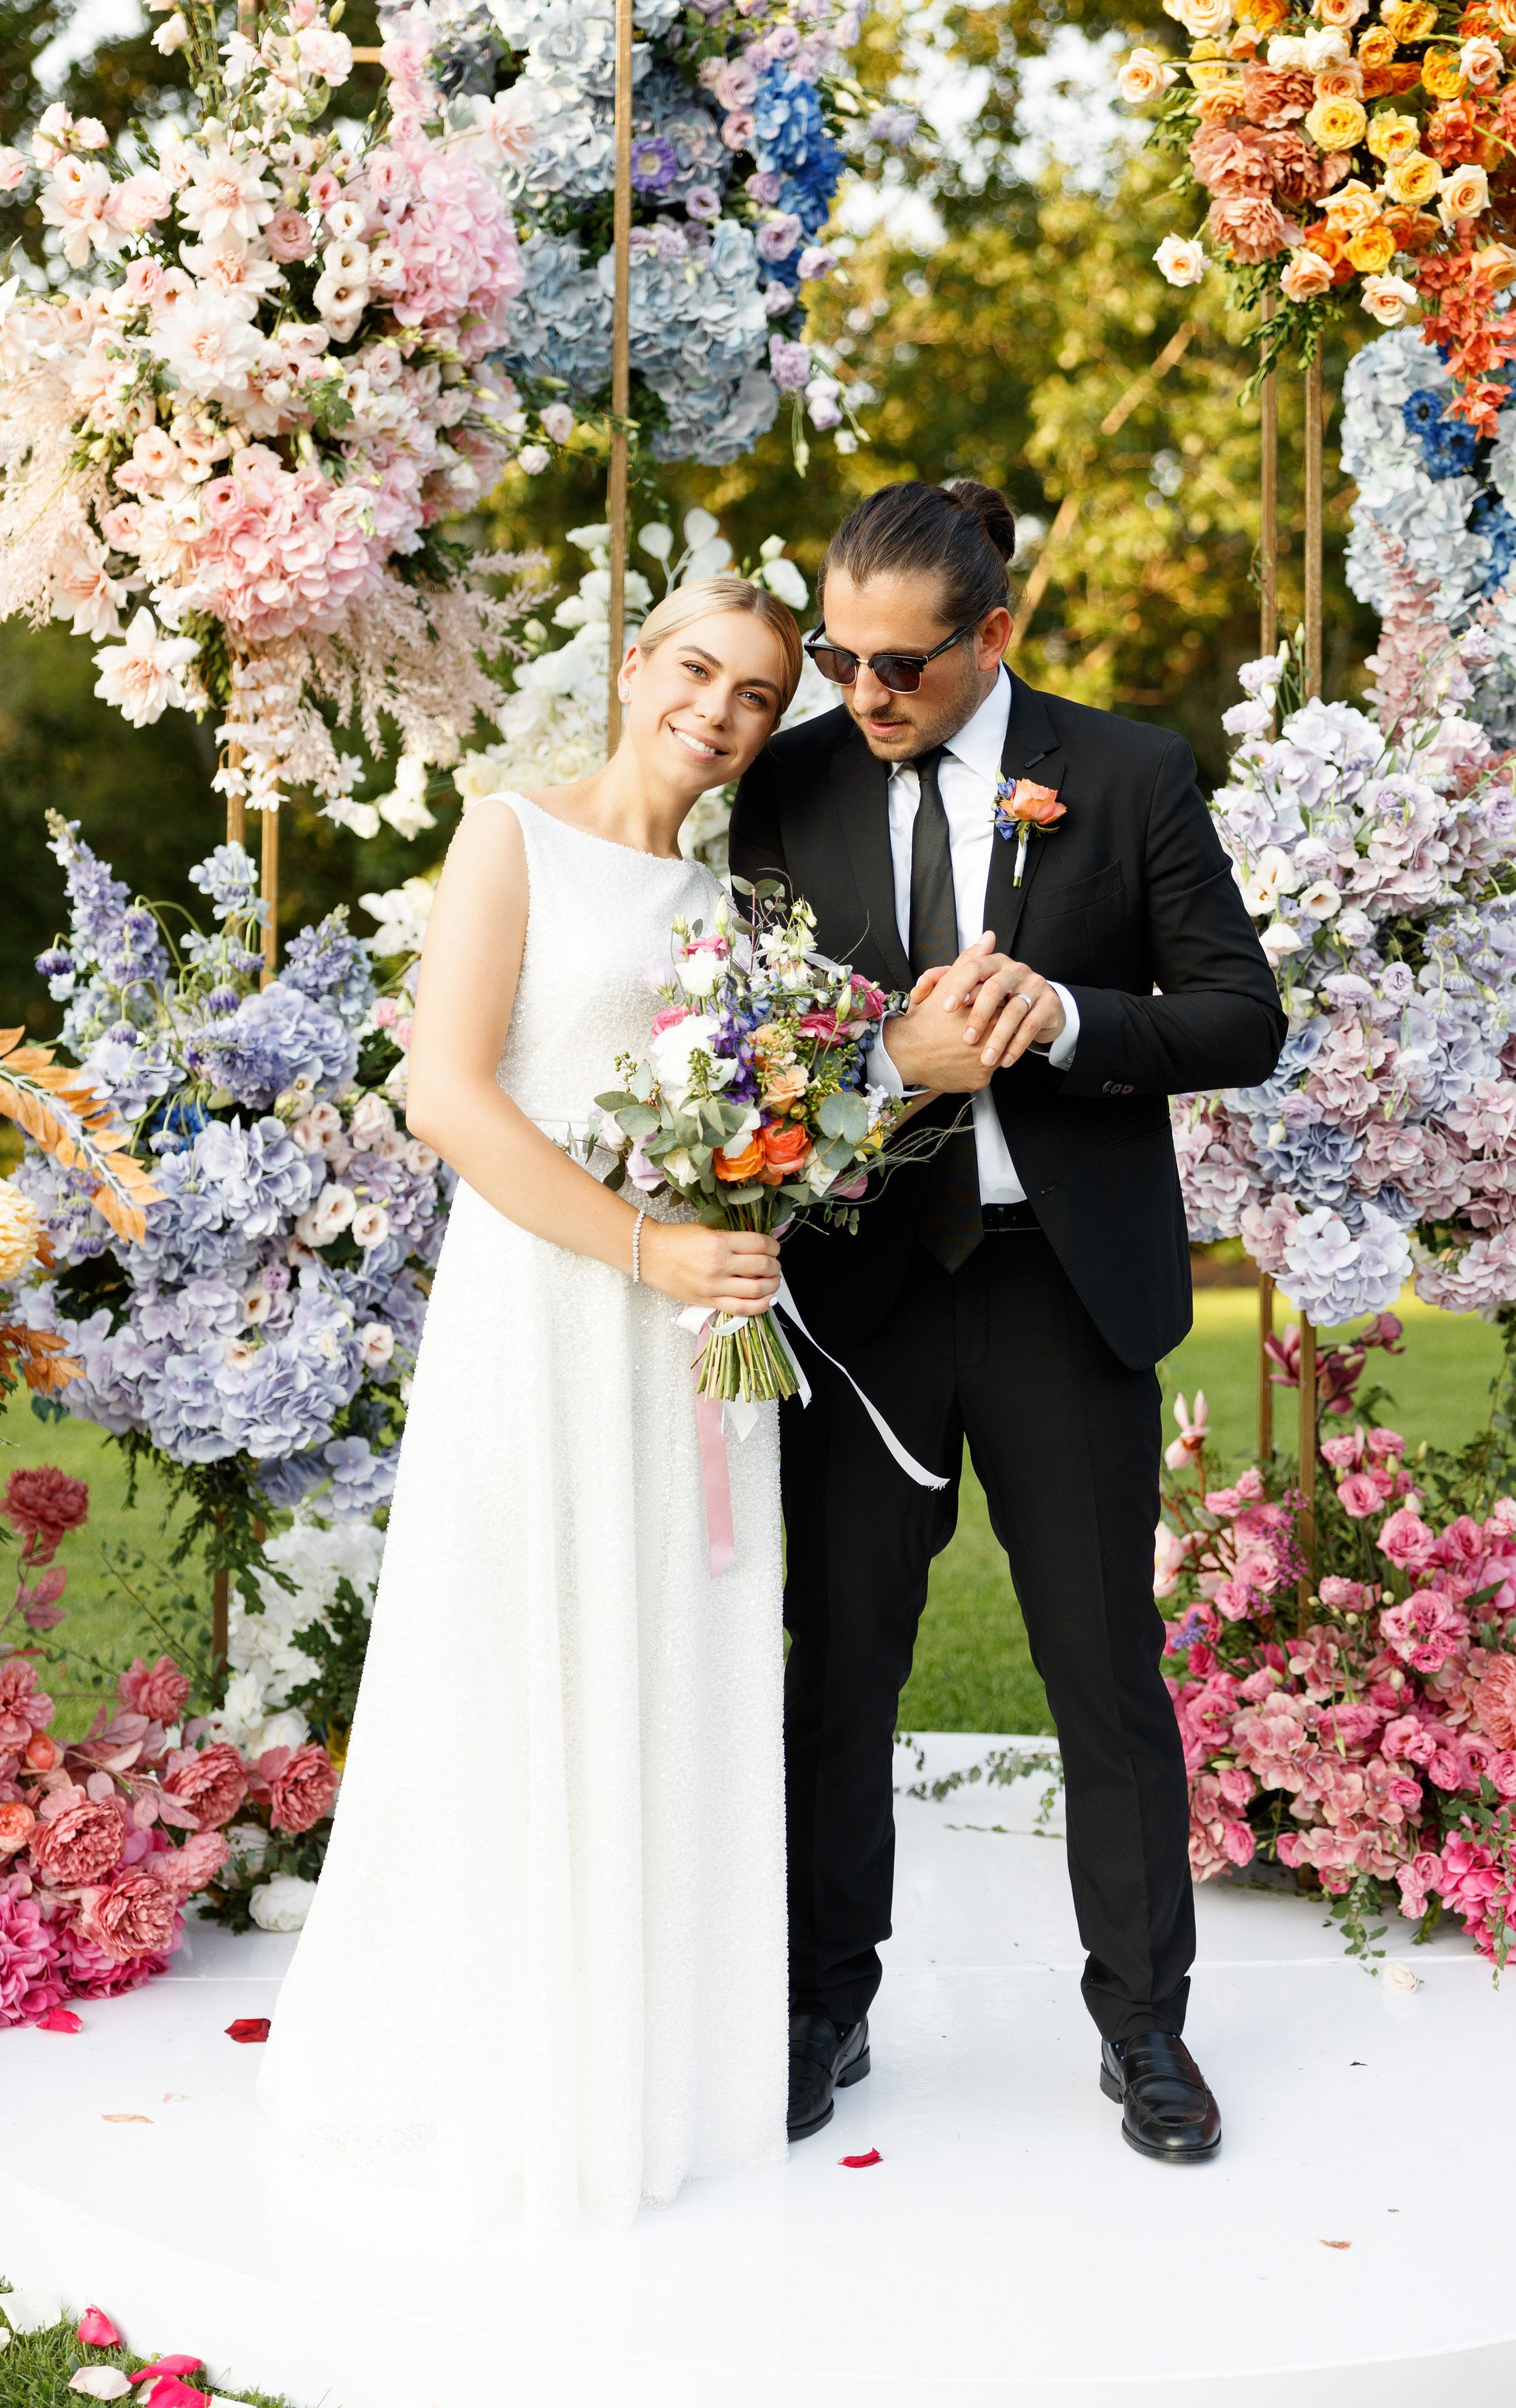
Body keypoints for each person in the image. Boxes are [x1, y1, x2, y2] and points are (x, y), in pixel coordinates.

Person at [728, 480, 1287, 2165]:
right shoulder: (791, 783)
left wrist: (1066, 1018)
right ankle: (827, 2004)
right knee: (840, 1674)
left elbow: (1238, 1018)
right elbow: (738, 1039)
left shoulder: (1127, 772)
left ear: (996, 635)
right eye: (836, 654)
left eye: (901, 661)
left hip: (1066, 1281)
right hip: (861, 1291)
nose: (863, 690)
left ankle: (1146, 2030)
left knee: (1104, 1675)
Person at [257, 576, 804, 2229]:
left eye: (757, 697)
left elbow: (756, 1111)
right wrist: (644, 1244)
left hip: (688, 1337)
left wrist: (756, 1204)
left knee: (671, 1650)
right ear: (637, 666)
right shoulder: (513, 835)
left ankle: (661, 2061)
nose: (715, 710)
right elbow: (443, 1094)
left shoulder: (739, 908)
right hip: (550, 1306)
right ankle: (500, 2062)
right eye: (696, 670)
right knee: (518, 1646)